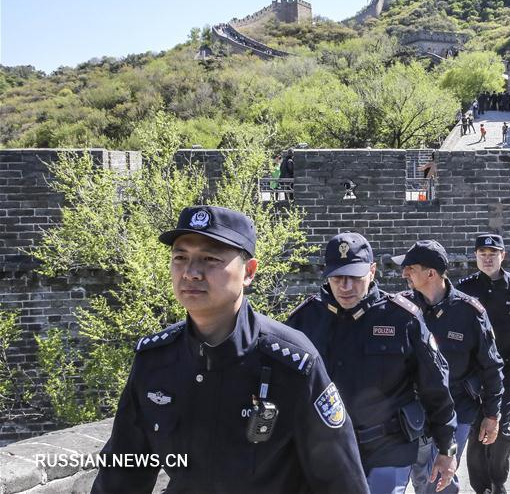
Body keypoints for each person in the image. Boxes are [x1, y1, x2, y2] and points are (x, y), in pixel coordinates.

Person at [92, 206, 368, 494]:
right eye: (180, 257)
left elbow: (340, 479)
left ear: (248, 272)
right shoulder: (156, 360)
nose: (191, 272)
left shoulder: (293, 363)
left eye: (210, 259)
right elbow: (122, 472)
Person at [287, 232, 458, 494]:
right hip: (324, 449)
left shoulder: (402, 318)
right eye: (337, 277)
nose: (345, 287)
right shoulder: (305, 320)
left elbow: (434, 385)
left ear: (372, 271)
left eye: (355, 277)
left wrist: (446, 448)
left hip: (388, 447)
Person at [394, 241, 504, 494]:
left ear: (430, 274)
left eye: (410, 268)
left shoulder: (469, 311)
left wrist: (492, 415)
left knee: (440, 477)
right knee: (422, 477)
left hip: (458, 410)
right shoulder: (400, 308)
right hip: (414, 410)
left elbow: (491, 365)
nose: (404, 273)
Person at [457, 235, 510, 494]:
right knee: (475, 429)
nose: (487, 258)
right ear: (475, 256)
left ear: (503, 256)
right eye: (482, 253)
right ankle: (480, 486)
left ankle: (497, 479)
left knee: (501, 428)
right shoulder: (465, 289)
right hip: (472, 372)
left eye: (493, 253)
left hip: (508, 368)